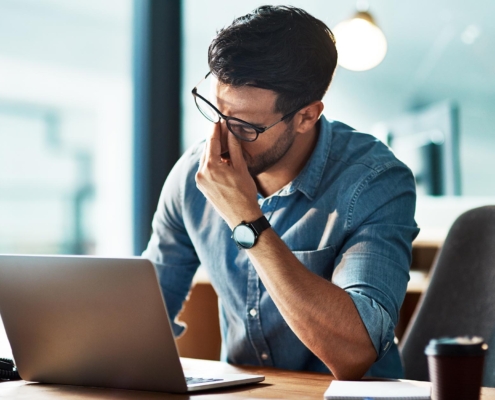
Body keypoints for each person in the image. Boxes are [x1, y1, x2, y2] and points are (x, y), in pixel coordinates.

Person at [143, 5, 419, 380]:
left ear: (306, 116)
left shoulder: (375, 181)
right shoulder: (194, 174)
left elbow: (355, 353)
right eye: (215, 110)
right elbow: (145, 312)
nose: (221, 138)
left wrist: (247, 221)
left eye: (244, 126)